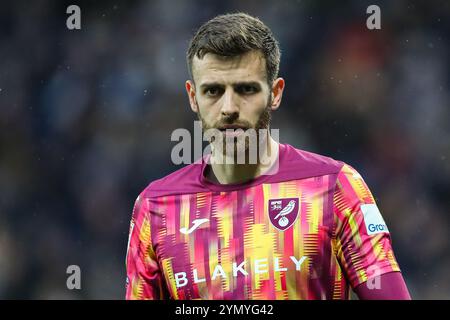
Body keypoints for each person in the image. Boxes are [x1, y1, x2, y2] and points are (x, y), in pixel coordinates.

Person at [125, 12, 411, 300]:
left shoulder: (334, 187)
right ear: (192, 98)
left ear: (275, 93)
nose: (228, 108)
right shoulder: (156, 207)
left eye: (246, 89)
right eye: (213, 91)